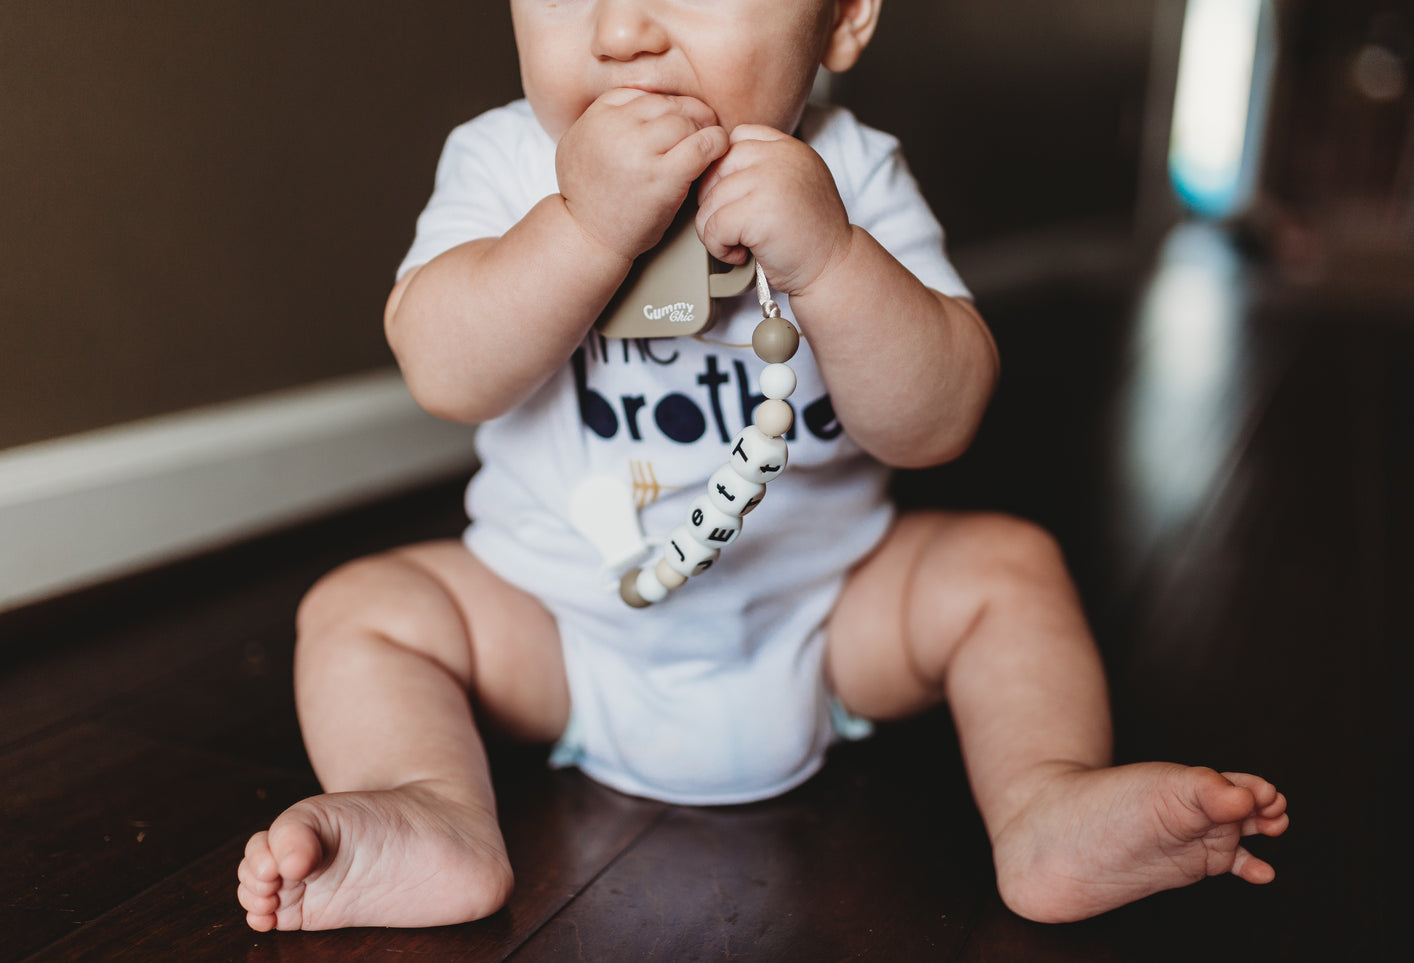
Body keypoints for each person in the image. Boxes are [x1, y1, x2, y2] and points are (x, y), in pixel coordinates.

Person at [238, 0, 1288, 932]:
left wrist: (829, 255)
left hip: (826, 621)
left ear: (841, 20)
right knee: (364, 608)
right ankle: (428, 806)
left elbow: (936, 421)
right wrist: (581, 225)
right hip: (558, 626)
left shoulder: (855, 171)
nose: (618, 31)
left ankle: (1043, 799)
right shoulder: (504, 159)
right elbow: (444, 369)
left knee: (1003, 568)